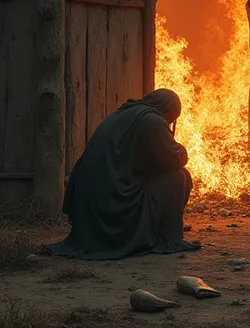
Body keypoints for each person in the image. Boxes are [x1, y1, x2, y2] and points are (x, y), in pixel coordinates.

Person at [43, 88, 200, 259]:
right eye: (172, 119)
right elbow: (172, 159)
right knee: (178, 177)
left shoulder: (124, 114)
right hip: (113, 207)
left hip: (91, 206)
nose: (170, 123)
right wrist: (183, 151)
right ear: (168, 110)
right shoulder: (151, 120)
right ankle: (165, 237)